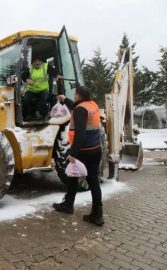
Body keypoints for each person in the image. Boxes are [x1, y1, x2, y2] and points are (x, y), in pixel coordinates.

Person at [52, 86, 104, 226]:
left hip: (83, 150)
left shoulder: (80, 110)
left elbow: (80, 132)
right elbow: (80, 109)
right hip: (95, 149)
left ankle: (68, 205)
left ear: (79, 96)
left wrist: (73, 154)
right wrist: (65, 100)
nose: (74, 96)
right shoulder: (92, 105)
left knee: (72, 177)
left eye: (75, 95)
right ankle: (97, 215)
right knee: (93, 181)